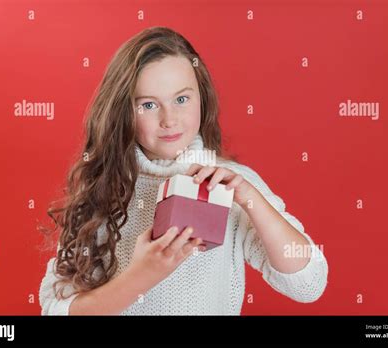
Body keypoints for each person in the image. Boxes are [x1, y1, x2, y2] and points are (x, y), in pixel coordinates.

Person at [39, 26, 328, 315]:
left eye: (181, 99)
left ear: (202, 97)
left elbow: (307, 284)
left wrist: (250, 199)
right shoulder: (102, 188)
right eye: (149, 105)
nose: (169, 120)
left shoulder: (233, 185)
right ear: (123, 111)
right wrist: (143, 275)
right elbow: (56, 310)